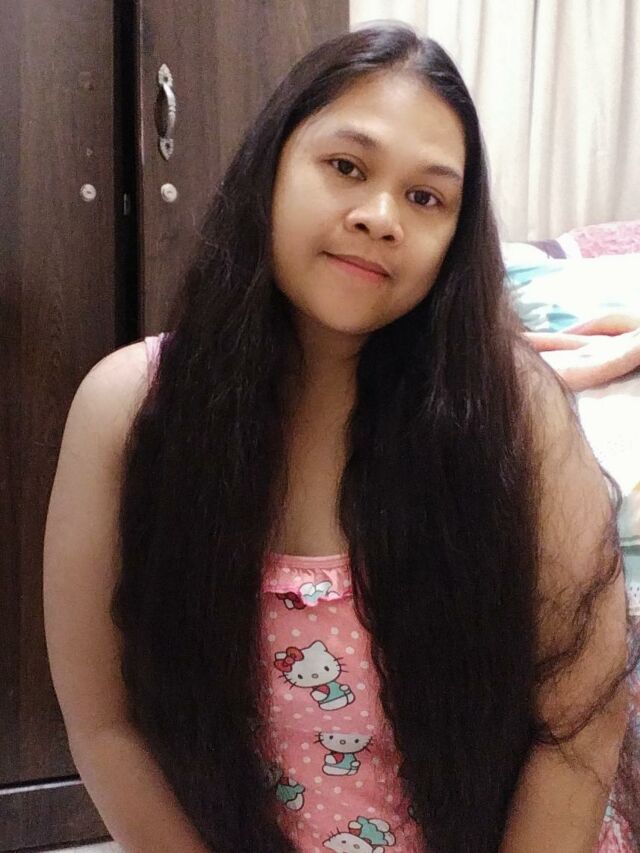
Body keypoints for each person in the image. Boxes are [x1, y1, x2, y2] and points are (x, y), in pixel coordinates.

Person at [43, 21, 640, 853]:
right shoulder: (127, 408)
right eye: (347, 167)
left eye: (426, 198)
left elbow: (579, 720)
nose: (380, 217)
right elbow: (106, 726)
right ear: (272, 166)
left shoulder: (513, 412)